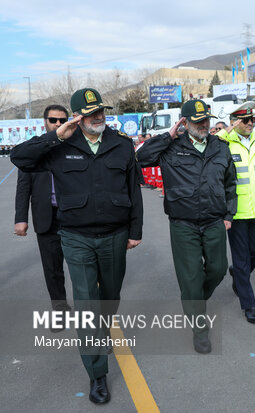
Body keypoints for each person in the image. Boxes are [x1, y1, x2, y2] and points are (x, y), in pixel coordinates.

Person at [11, 88, 143, 405]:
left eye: (102, 111)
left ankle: (105, 329)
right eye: (91, 113)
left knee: (110, 296)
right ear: (77, 117)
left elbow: (133, 191)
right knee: (86, 305)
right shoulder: (59, 146)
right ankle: (97, 373)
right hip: (76, 237)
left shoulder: (121, 145)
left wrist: (135, 230)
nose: (99, 116)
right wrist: (55, 135)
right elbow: (19, 157)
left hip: (115, 234)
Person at [136, 99, 237, 352]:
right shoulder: (171, 147)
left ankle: (194, 302)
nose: (204, 125)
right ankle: (199, 326)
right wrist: (167, 136)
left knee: (218, 269)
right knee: (191, 277)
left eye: (206, 120)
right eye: (197, 121)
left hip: (214, 221)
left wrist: (229, 215)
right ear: (185, 122)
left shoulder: (220, 147)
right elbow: (140, 158)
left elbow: (230, 184)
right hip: (184, 224)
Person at [218, 101, 255, 324]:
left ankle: (238, 274)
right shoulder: (225, 143)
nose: (251, 123)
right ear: (236, 122)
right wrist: (228, 129)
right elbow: (211, 142)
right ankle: (249, 305)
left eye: (252, 119)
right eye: (246, 120)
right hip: (237, 212)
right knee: (241, 259)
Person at [14, 105, 71, 330]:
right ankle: (60, 309)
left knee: (82, 266)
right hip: (46, 217)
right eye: (53, 120)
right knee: (52, 268)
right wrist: (21, 218)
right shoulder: (33, 149)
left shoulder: (74, 147)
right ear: (45, 121)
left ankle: (91, 311)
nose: (58, 124)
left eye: (62, 120)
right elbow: (23, 187)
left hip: (73, 216)